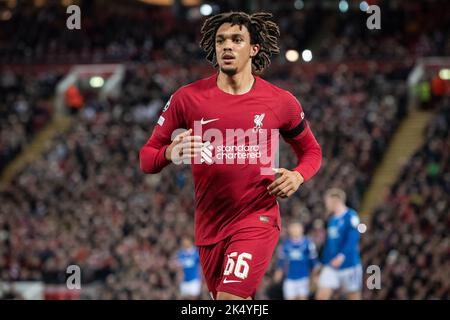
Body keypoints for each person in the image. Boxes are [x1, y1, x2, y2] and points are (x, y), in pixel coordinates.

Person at [140, 11, 322, 300]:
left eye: (237, 39)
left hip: (256, 218)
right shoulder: (187, 98)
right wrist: (169, 152)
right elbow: (147, 158)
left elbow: (311, 151)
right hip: (208, 227)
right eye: (221, 40)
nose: (227, 46)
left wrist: (298, 175)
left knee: (230, 301)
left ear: (253, 49)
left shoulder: (280, 101)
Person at [315, 188, 362, 300]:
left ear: (334, 201)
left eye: (327, 201)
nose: (326, 204)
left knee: (353, 296)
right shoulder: (332, 220)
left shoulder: (351, 216)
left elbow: (353, 239)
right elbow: (329, 245)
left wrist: (342, 256)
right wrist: (322, 263)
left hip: (349, 264)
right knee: (321, 295)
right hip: (331, 265)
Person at [274, 222, 319, 300]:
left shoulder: (308, 243)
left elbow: (314, 261)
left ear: (302, 229)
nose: (295, 230)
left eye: (297, 228)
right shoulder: (285, 244)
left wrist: (314, 277)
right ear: (289, 230)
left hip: (304, 277)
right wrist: (279, 272)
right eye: (293, 228)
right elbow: (281, 260)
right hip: (289, 278)